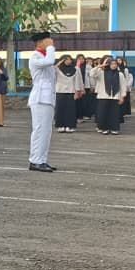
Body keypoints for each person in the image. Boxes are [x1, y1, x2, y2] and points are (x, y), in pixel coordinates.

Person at [27, 32, 58, 172]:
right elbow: (50, 61)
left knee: (46, 131)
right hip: (40, 98)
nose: (51, 42)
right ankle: (35, 160)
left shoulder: (44, 56)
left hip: (48, 97)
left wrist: (49, 49)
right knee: (39, 130)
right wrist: (51, 48)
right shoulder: (35, 56)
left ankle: (42, 160)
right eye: (48, 41)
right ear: (40, 43)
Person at [90, 56, 129, 135]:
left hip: (115, 97)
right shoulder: (101, 72)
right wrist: (100, 66)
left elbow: (123, 86)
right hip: (103, 96)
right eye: (112, 64)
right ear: (108, 64)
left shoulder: (120, 74)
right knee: (103, 113)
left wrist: (122, 96)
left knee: (114, 114)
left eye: (115, 64)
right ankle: (104, 128)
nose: (114, 65)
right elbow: (92, 74)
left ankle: (114, 128)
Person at [53, 56, 81, 133]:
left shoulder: (75, 69)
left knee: (70, 110)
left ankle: (70, 126)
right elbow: (52, 70)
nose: (69, 61)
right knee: (60, 109)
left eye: (70, 59)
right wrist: (58, 63)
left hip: (71, 92)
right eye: (66, 59)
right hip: (60, 91)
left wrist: (77, 92)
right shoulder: (58, 69)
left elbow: (77, 81)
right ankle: (60, 125)